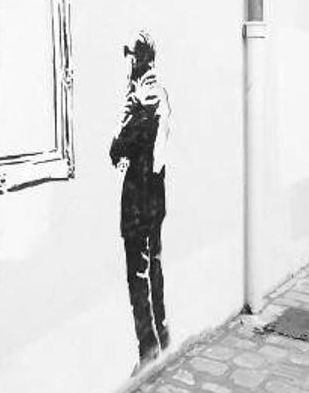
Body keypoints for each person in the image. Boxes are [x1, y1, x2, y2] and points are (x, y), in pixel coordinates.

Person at [109, 31, 172, 371]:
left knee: (138, 272)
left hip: (138, 197)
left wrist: (128, 111)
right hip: (156, 196)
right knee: (154, 266)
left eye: (129, 57)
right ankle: (162, 334)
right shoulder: (160, 92)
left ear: (135, 59)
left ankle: (148, 349)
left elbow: (118, 148)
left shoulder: (141, 98)